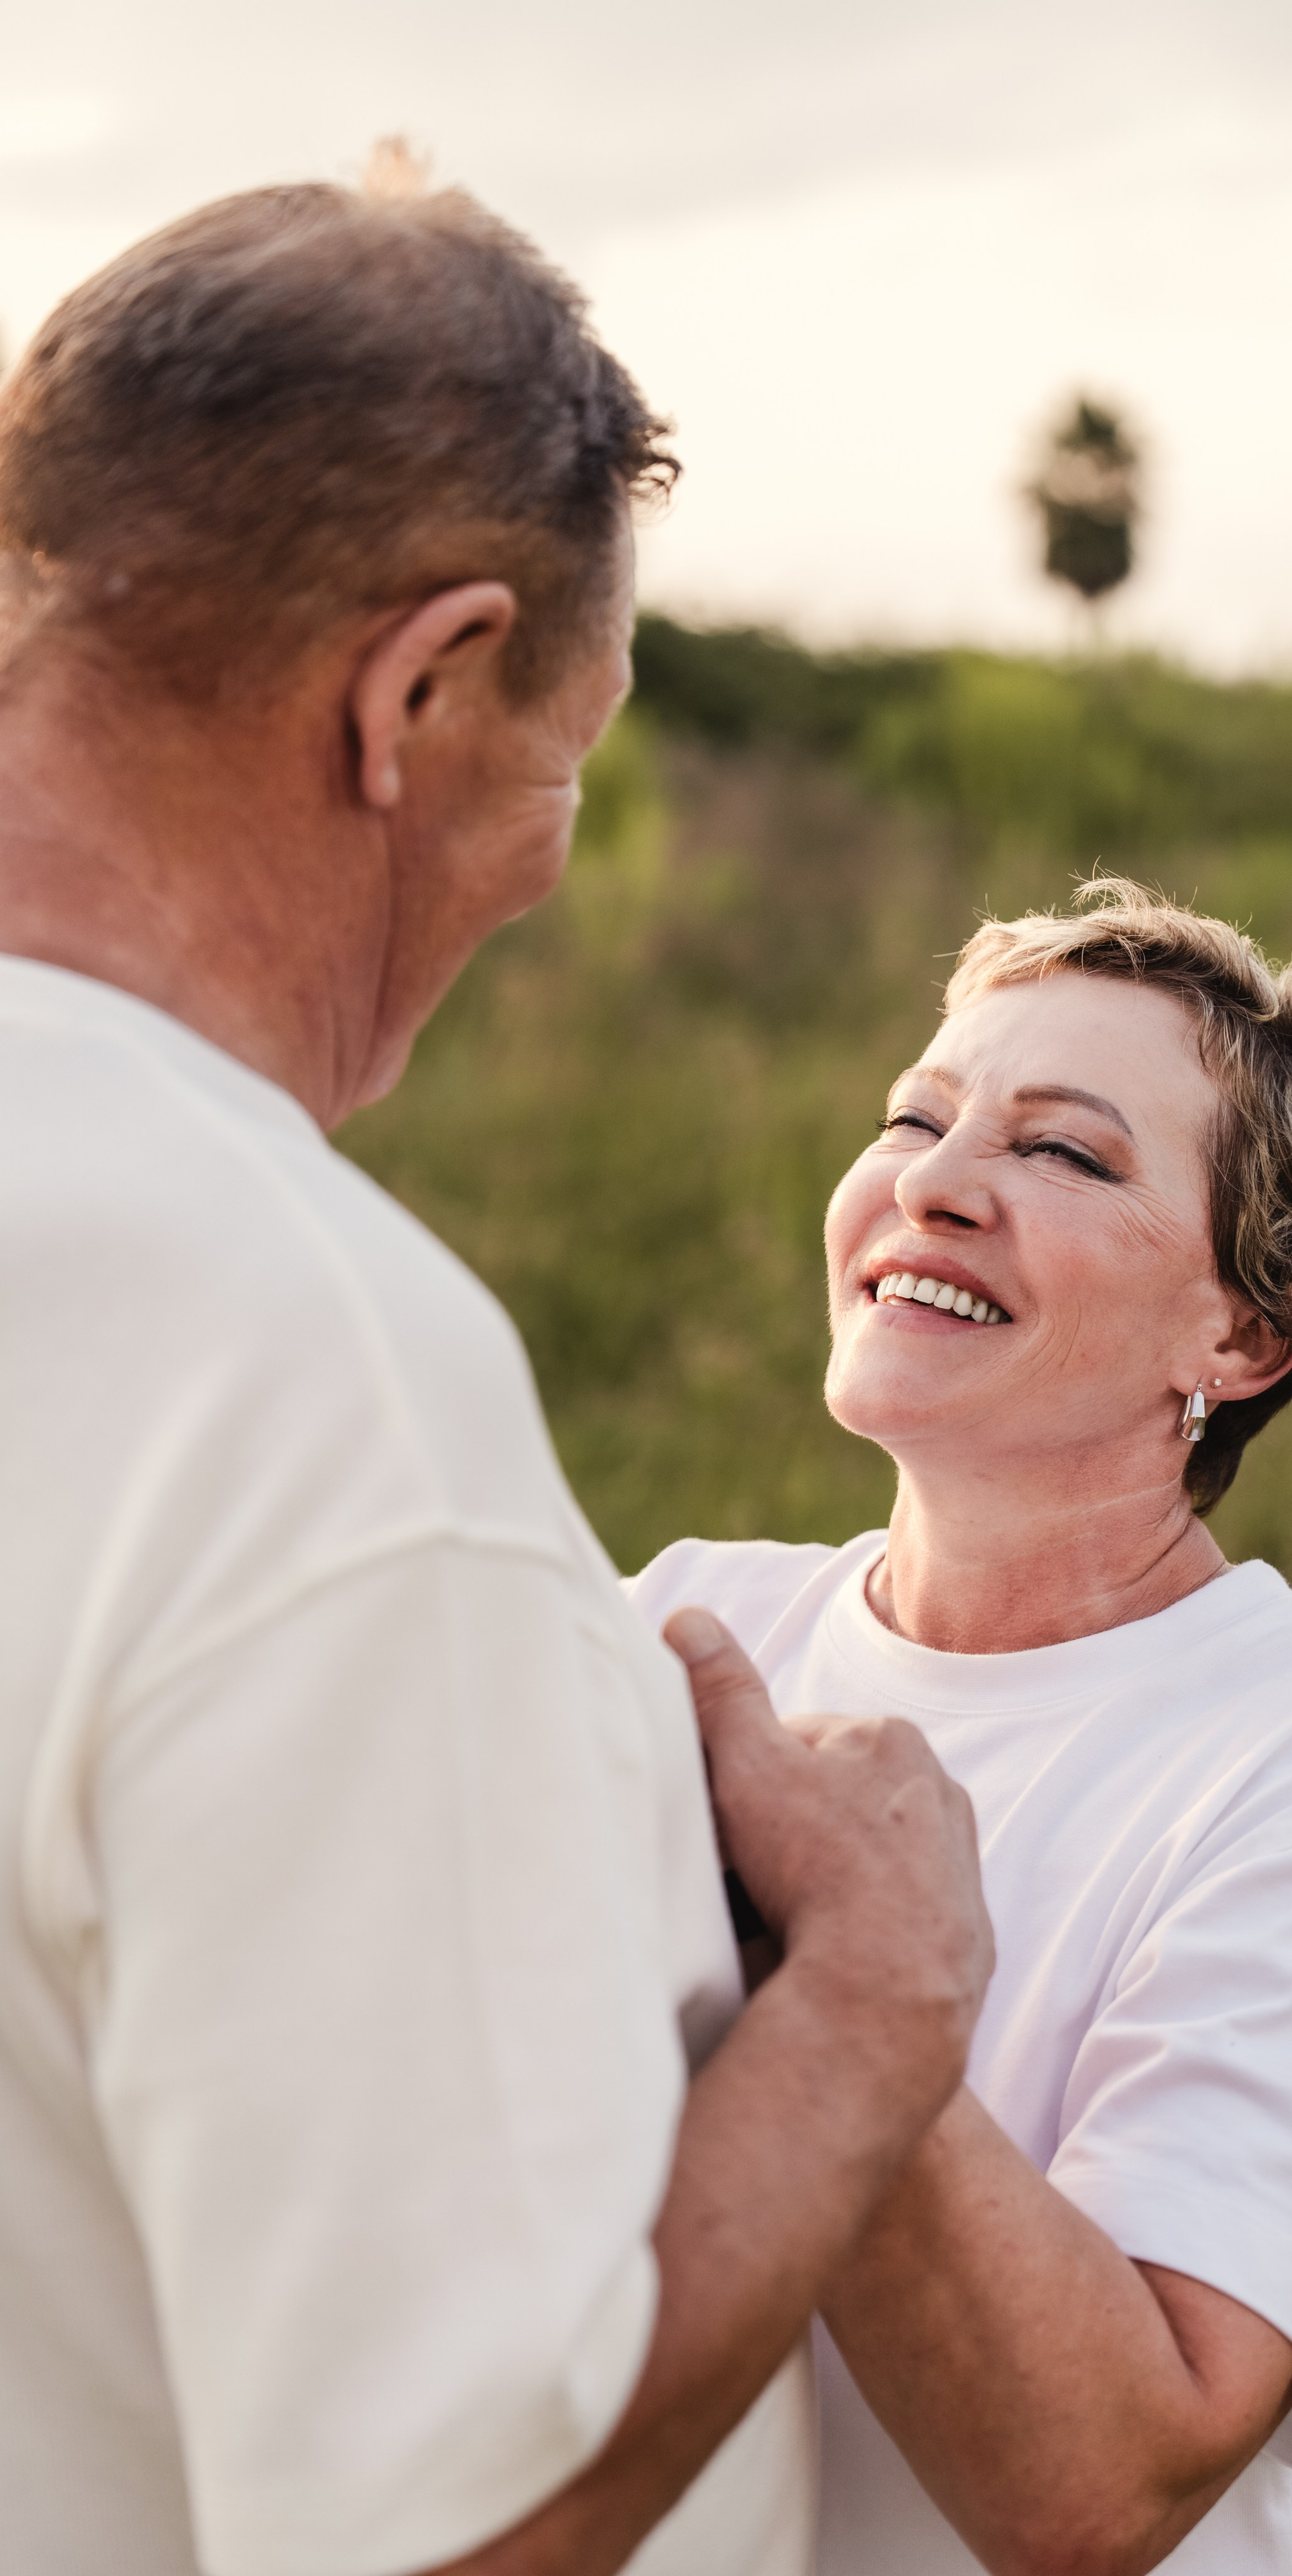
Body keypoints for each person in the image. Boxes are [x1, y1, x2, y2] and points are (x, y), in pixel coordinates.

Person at [0, 170, 994, 2576]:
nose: (544, 857)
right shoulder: (301, 1371)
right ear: (419, 690)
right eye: (570, 756)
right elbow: (452, 2529)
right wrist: (872, 2000)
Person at [633, 883, 1292, 2576]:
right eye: (915, 1114)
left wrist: (834, 1951)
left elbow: (1100, 2486)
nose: (934, 1182)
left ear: (1243, 1335)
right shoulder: (681, 1622)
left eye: (1066, 1156)